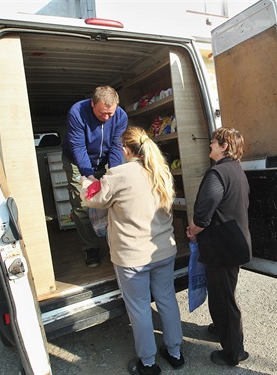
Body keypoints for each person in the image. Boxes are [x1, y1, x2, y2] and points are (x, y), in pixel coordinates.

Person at [80, 126, 184, 375]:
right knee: (167, 300)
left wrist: (87, 183)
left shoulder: (118, 174)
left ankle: (148, 363)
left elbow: (93, 200)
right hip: (163, 251)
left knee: (138, 308)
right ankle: (175, 352)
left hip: (131, 257)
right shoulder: (161, 170)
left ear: (125, 149)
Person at [186, 127, 251, 367]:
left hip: (222, 248)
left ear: (224, 146)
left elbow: (204, 213)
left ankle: (234, 353)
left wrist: (193, 230)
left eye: (213, 142)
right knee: (223, 293)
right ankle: (220, 328)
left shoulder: (217, 173)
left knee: (224, 300)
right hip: (234, 245)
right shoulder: (236, 171)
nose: (210, 145)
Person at [62, 85, 128, 267]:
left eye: (110, 114)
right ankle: (90, 248)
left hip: (104, 158)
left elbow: (116, 146)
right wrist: (89, 177)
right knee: (82, 203)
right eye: (102, 113)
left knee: (114, 198)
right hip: (77, 161)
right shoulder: (77, 112)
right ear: (92, 104)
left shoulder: (121, 116)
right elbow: (78, 147)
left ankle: (115, 243)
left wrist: (115, 175)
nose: (107, 118)